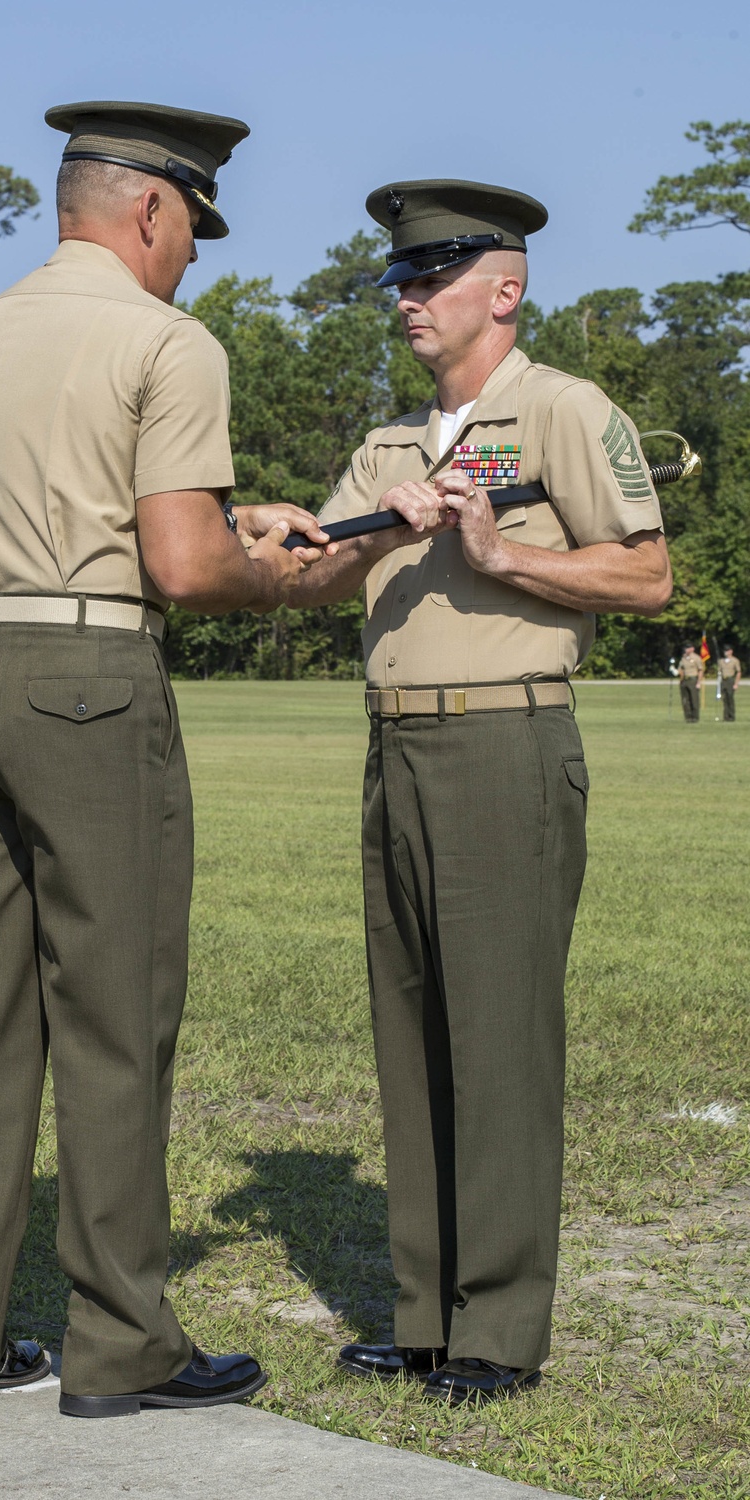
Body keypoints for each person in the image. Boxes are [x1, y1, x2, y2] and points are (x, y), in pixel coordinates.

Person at [0, 99, 327, 1419]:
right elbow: (185, 568)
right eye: (191, 224)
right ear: (147, 208)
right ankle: (124, 1344)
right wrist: (277, 573)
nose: (193, 252)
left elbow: (72, 503)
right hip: (86, 688)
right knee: (114, 1020)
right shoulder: (165, 340)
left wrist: (222, 523)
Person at [250, 179, 672, 1404]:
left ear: (504, 287)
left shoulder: (564, 411)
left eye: (430, 278)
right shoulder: (390, 445)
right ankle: (426, 1315)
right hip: (396, 748)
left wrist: (501, 555)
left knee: (496, 1043)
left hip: (505, 746)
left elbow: (645, 579)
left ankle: (499, 1329)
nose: (407, 300)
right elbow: (310, 584)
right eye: (398, 279)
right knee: (413, 1037)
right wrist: (384, 530)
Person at [678, 644, 703, 723]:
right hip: (684, 680)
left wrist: (699, 682)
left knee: (694, 699)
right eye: (686, 648)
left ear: (692, 649)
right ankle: (688, 717)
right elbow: (681, 669)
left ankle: (695, 717)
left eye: (688, 648)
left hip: (693, 679)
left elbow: (700, 670)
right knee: (685, 700)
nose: (686, 649)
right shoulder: (684, 658)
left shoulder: (696, 658)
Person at [720, 644, 741, 720]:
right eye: (724, 650)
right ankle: (726, 716)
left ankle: (731, 716)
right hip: (723, 680)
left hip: (730, 680)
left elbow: (738, 672)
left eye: (727, 650)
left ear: (731, 651)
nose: (725, 652)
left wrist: (736, 683)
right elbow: (719, 672)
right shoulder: (721, 661)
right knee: (724, 699)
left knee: (730, 698)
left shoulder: (735, 660)